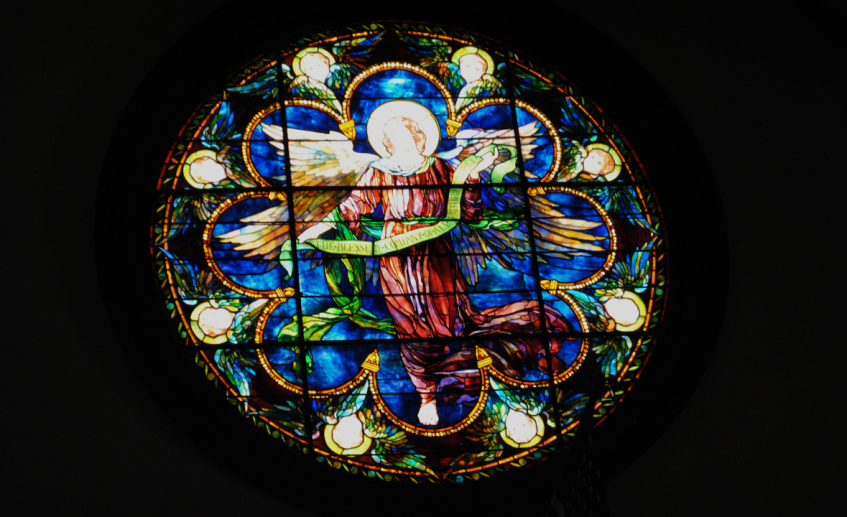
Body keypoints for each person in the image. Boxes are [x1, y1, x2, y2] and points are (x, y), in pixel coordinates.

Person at [297, 116, 569, 426]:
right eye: (390, 134)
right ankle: (426, 395)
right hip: (395, 257)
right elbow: (353, 205)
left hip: (436, 254)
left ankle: (459, 378)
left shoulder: (440, 167)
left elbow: (468, 212)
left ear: (417, 134)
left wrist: (472, 175)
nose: (396, 138)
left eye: (401, 131)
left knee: (447, 322)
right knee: (409, 327)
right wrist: (318, 229)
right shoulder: (378, 171)